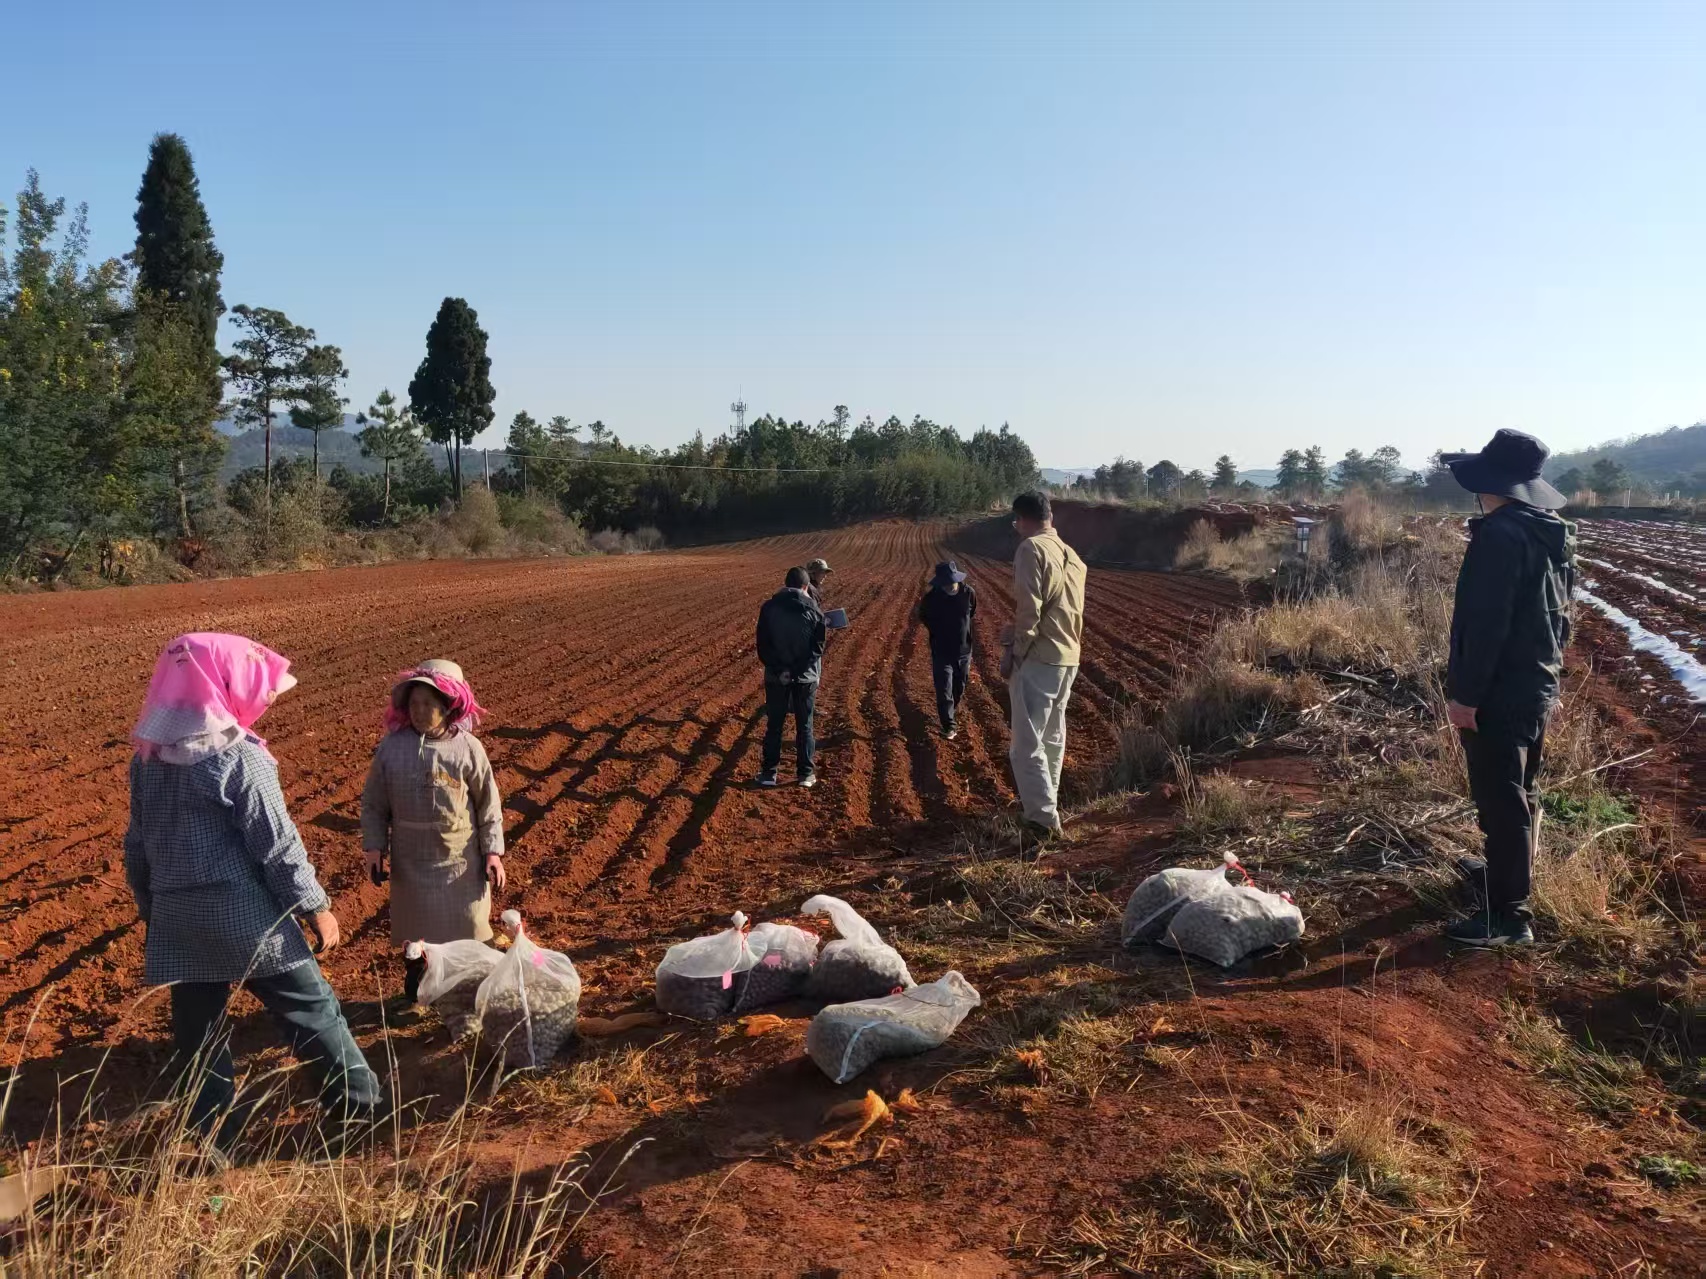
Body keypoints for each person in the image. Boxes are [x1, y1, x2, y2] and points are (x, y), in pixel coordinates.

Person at [124, 633, 382, 1159]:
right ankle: (363, 1114)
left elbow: (138, 845)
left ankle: (214, 1142)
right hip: (246, 918)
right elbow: (277, 844)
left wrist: (155, 910)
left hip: (178, 920)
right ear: (224, 685)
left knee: (198, 1038)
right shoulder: (239, 757)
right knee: (312, 1010)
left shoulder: (148, 758)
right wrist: (315, 906)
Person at [1440, 429, 1575, 946]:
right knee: (1520, 789)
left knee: (1500, 799)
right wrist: (1547, 677)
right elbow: (1561, 618)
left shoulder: (1499, 536)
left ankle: (1508, 918)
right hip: (1535, 681)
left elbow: (1485, 625)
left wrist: (1466, 696)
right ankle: (1505, 876)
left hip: (1499, 689)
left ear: (1490, 484)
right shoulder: (1550, 531)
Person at [360, 659, 505, 1002]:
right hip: (412, 861)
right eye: (414, 704)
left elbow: (488, 805)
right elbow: (374, 804)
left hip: (460, 862)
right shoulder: (392, 748)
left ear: (448, 707)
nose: (419, 711)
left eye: (428, 704)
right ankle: (419, 993)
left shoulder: (468, 748)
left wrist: (493, 853)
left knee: (468, 927)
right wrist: (374, 849)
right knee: (417, 937)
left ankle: (469, 991)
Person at [1004, 491, 1087, 842]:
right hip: (1069, 657)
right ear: (1050, 516)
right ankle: (1047, 809)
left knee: (1026, 745)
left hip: (1040, 658)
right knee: (1052, 739)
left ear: (1022, 520)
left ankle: (1040, 822)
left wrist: (1016, 652)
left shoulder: (1031, 549)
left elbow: (1029, 610)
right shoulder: (1072, 555)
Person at [756, 566, 828, 788]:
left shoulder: (769, 608)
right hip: (805, 678)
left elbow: (763, 645)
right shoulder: (814, 609)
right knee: (805, 726)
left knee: (774, 725)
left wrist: (780, 670)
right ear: (806, 586)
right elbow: (817, 648)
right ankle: (805, 774)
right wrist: (798, 670)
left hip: (776, 677)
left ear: (785, 584)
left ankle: (769, 773)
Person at [916, 560, 978, 739]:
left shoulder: (968, 593)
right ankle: (949, 725)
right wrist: (937, 632)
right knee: (944, 688)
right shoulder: (932, 598)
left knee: (959, 687)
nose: (948, 586)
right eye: (944, 583)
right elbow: (923, 616)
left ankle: (950, 711)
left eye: (950, 582)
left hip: (964, 651)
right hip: (941, 651)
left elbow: (972, 612)